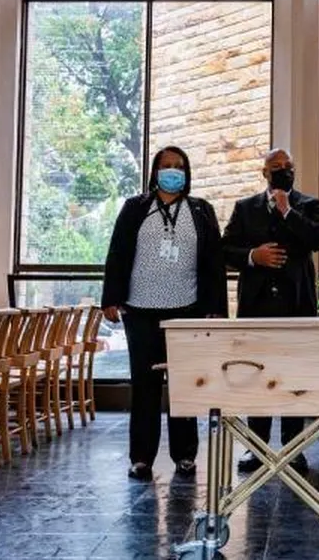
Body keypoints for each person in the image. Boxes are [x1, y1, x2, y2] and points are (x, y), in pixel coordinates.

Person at [101, 146, 228, 482]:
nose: (173, 171)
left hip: (186, 312)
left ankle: (185, 455)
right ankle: (141, 458)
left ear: (187, 173)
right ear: (155, 171)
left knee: (183, 385)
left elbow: (214, 262)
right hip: (140, 310)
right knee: (145, 385)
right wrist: (110, 298)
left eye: (179, 166)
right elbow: (117, 252)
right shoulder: (135, 208)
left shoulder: (200, 210)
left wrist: (216, 308)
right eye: (166, 165)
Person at [223, 149, 319, 475]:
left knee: (293, 375)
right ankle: (256, 446)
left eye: (288, 167)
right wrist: (253, 256)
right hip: (257, 306)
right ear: (264, 173)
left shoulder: (308, 204)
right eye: (276, 167)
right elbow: (225, 249)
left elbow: (318, 239)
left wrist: (287, 212)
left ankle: (294, 448)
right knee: (257, 374)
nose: (284, 171)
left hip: (297, 303)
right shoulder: (245, 208)